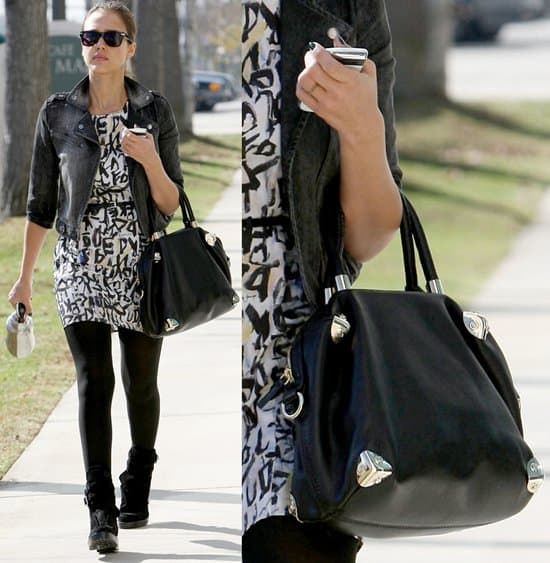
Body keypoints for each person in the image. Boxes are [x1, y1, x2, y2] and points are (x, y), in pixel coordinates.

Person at [8, 1, 182, 554]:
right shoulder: (57, 113)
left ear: (131, 48)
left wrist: (150, 159)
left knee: (140, 385)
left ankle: (140, 471)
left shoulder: (154, 111)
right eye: (90, 37)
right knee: (94, 381)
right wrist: (23, 279)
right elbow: (40, 202)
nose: (98, 46)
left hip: (139, 262)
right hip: (79, 262)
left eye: (111, 37)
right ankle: (99, 506)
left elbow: (171, 203)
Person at [242, 1, 403, 561]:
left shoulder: (347, 6)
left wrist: (362, 128)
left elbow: (369, 234)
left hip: (294, 377)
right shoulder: (117, 25)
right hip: (152, 326)